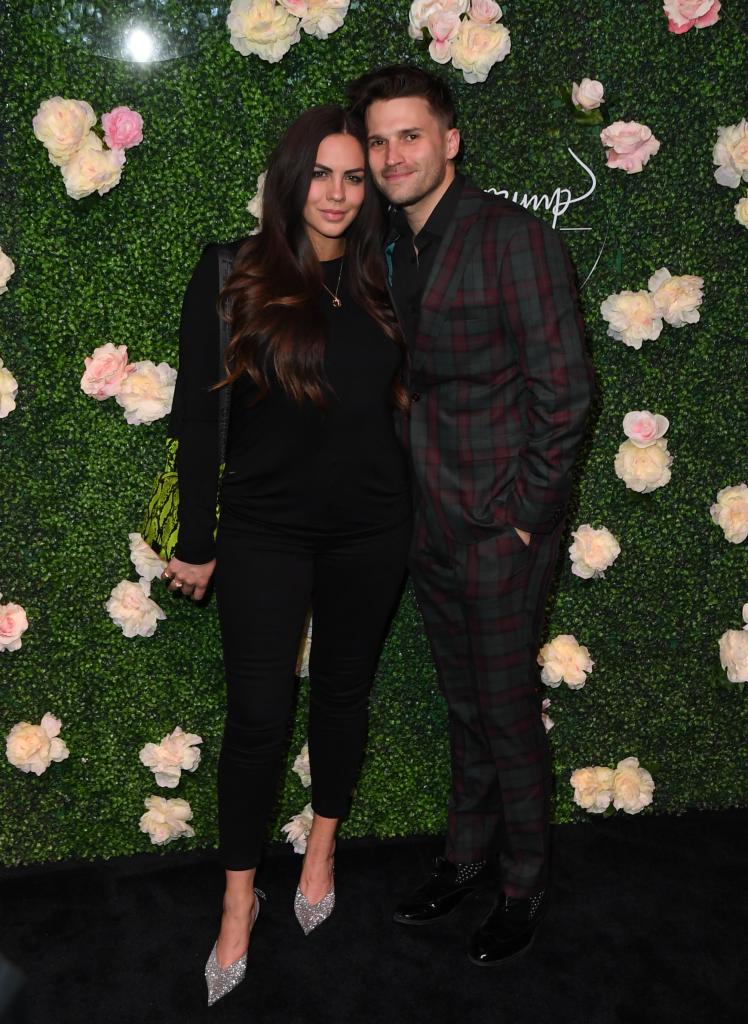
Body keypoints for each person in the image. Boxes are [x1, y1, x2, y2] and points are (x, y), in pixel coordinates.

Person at [160, 104, 412, 1006]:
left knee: (345, 693)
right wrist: (195, 540)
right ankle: (238, 904)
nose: (340, 194)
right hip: (264, 532)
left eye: (356, 176)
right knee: (259, 719)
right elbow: (197, 414)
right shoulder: (234, 270)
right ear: (290, 177)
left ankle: (321, 849)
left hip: (374, 529)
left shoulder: (392, 276)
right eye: (323, 175)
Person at [347, 65, 595, 965]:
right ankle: (464, 855)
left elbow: (565, 392)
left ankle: (524, 880)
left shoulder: (512, 238)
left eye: (409, 135)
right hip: (428, 522)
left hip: (500, 526)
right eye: (378, 141)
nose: (391, 155)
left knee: (504, 705)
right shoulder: (387, 246)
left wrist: (524, 518)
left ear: (450, 141)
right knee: (464, 702)